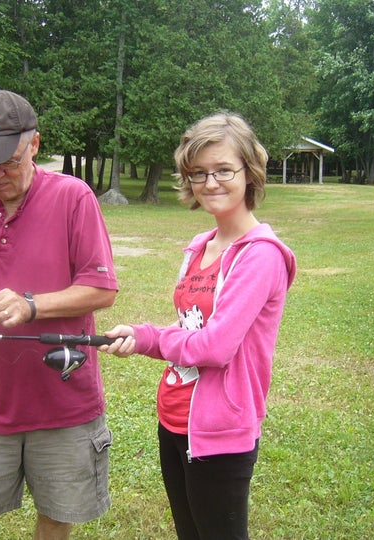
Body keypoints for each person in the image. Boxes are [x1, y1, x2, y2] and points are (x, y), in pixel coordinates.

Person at [101, 112, 296, 540]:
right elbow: (190, 324)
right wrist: (137, 334)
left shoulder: (260, 256)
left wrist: (150, 339)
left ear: (250, 172)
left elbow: (215, 346)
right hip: (174, 417)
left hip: (220, 430)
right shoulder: (200, 247)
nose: (210, 183)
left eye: (224, 170)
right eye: (198, 173)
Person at [0, 89, 118, 540]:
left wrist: (30, 305)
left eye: (10, 161)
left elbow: (101, 288)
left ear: (34, 145)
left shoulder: (73, 198)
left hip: (64, 401)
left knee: (56, 518)